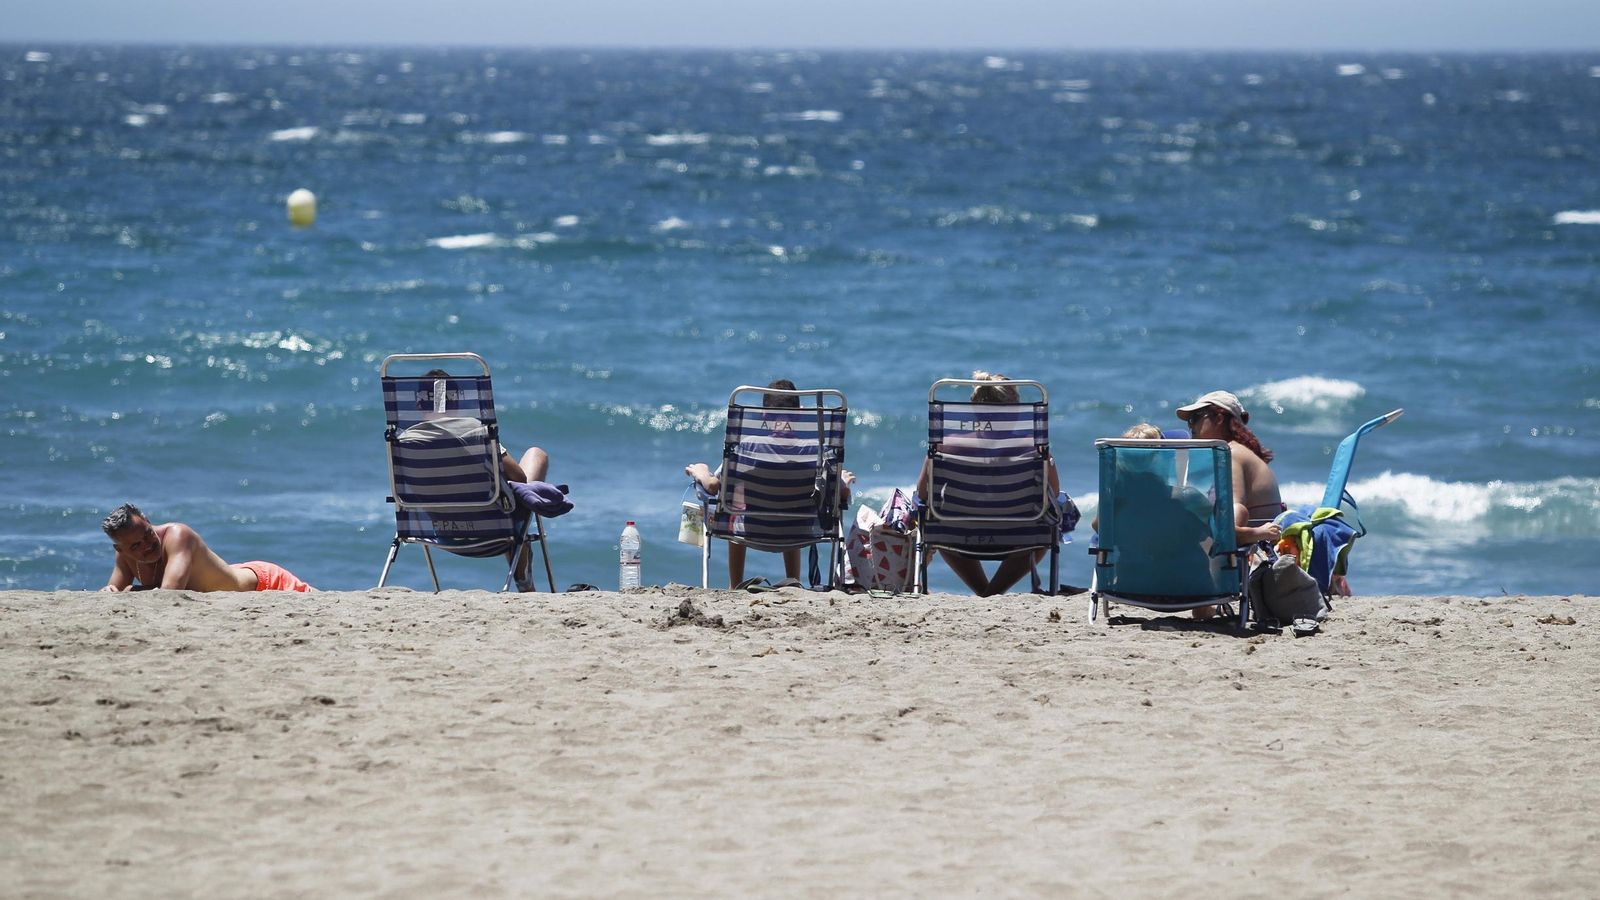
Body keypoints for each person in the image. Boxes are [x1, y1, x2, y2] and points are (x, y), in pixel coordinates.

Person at [685, 379, 853, 588]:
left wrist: (700, 470)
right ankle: (794, 581)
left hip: (751, 532)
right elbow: (842, 495)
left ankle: (735, 584)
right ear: (799, 412)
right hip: (799, 532)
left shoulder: (748, 447)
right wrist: (843, 481)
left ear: (763, 412)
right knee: (791, 505)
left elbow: (712, 486)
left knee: (734, 508)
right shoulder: (817, 452)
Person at [415, 369, 569, 591]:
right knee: (535, 457)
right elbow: (519, 476)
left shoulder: (404, 442)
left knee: (509, 495)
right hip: (494, 529)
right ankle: (524, 582)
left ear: (419, 404)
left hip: (442, 529)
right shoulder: (475, 431)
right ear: (456, 403)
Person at [917, 371, 1063, 597]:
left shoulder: (945, 446)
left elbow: (923, 494)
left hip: (955, 535)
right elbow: (1054, 493)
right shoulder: (1035, 450)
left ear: (973, 406)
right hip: (1020, 538)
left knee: (938, 522)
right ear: (1016, 408)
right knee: (1044, 528)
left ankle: (984, 592)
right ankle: (993, 592)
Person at [1176, 390, 1283, 617]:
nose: (1191, 426)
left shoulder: (1231, 455)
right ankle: (1204, 605)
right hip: (1259, 550)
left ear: (1218, 418)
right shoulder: (1236, 451)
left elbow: (1234, 514)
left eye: (1196, 418)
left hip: (1254, 551)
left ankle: (1202, 604)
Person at [100, 503, 314, 592]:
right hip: (228, 574)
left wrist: (130, 591)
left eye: (147, 533)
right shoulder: (125, 558)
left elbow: (169, 594)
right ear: (121, 550)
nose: (148, 545)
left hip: (265, 583)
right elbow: (114, 591)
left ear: (147, 520)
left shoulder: (177, 535)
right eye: (137, 545)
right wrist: (112, 591)